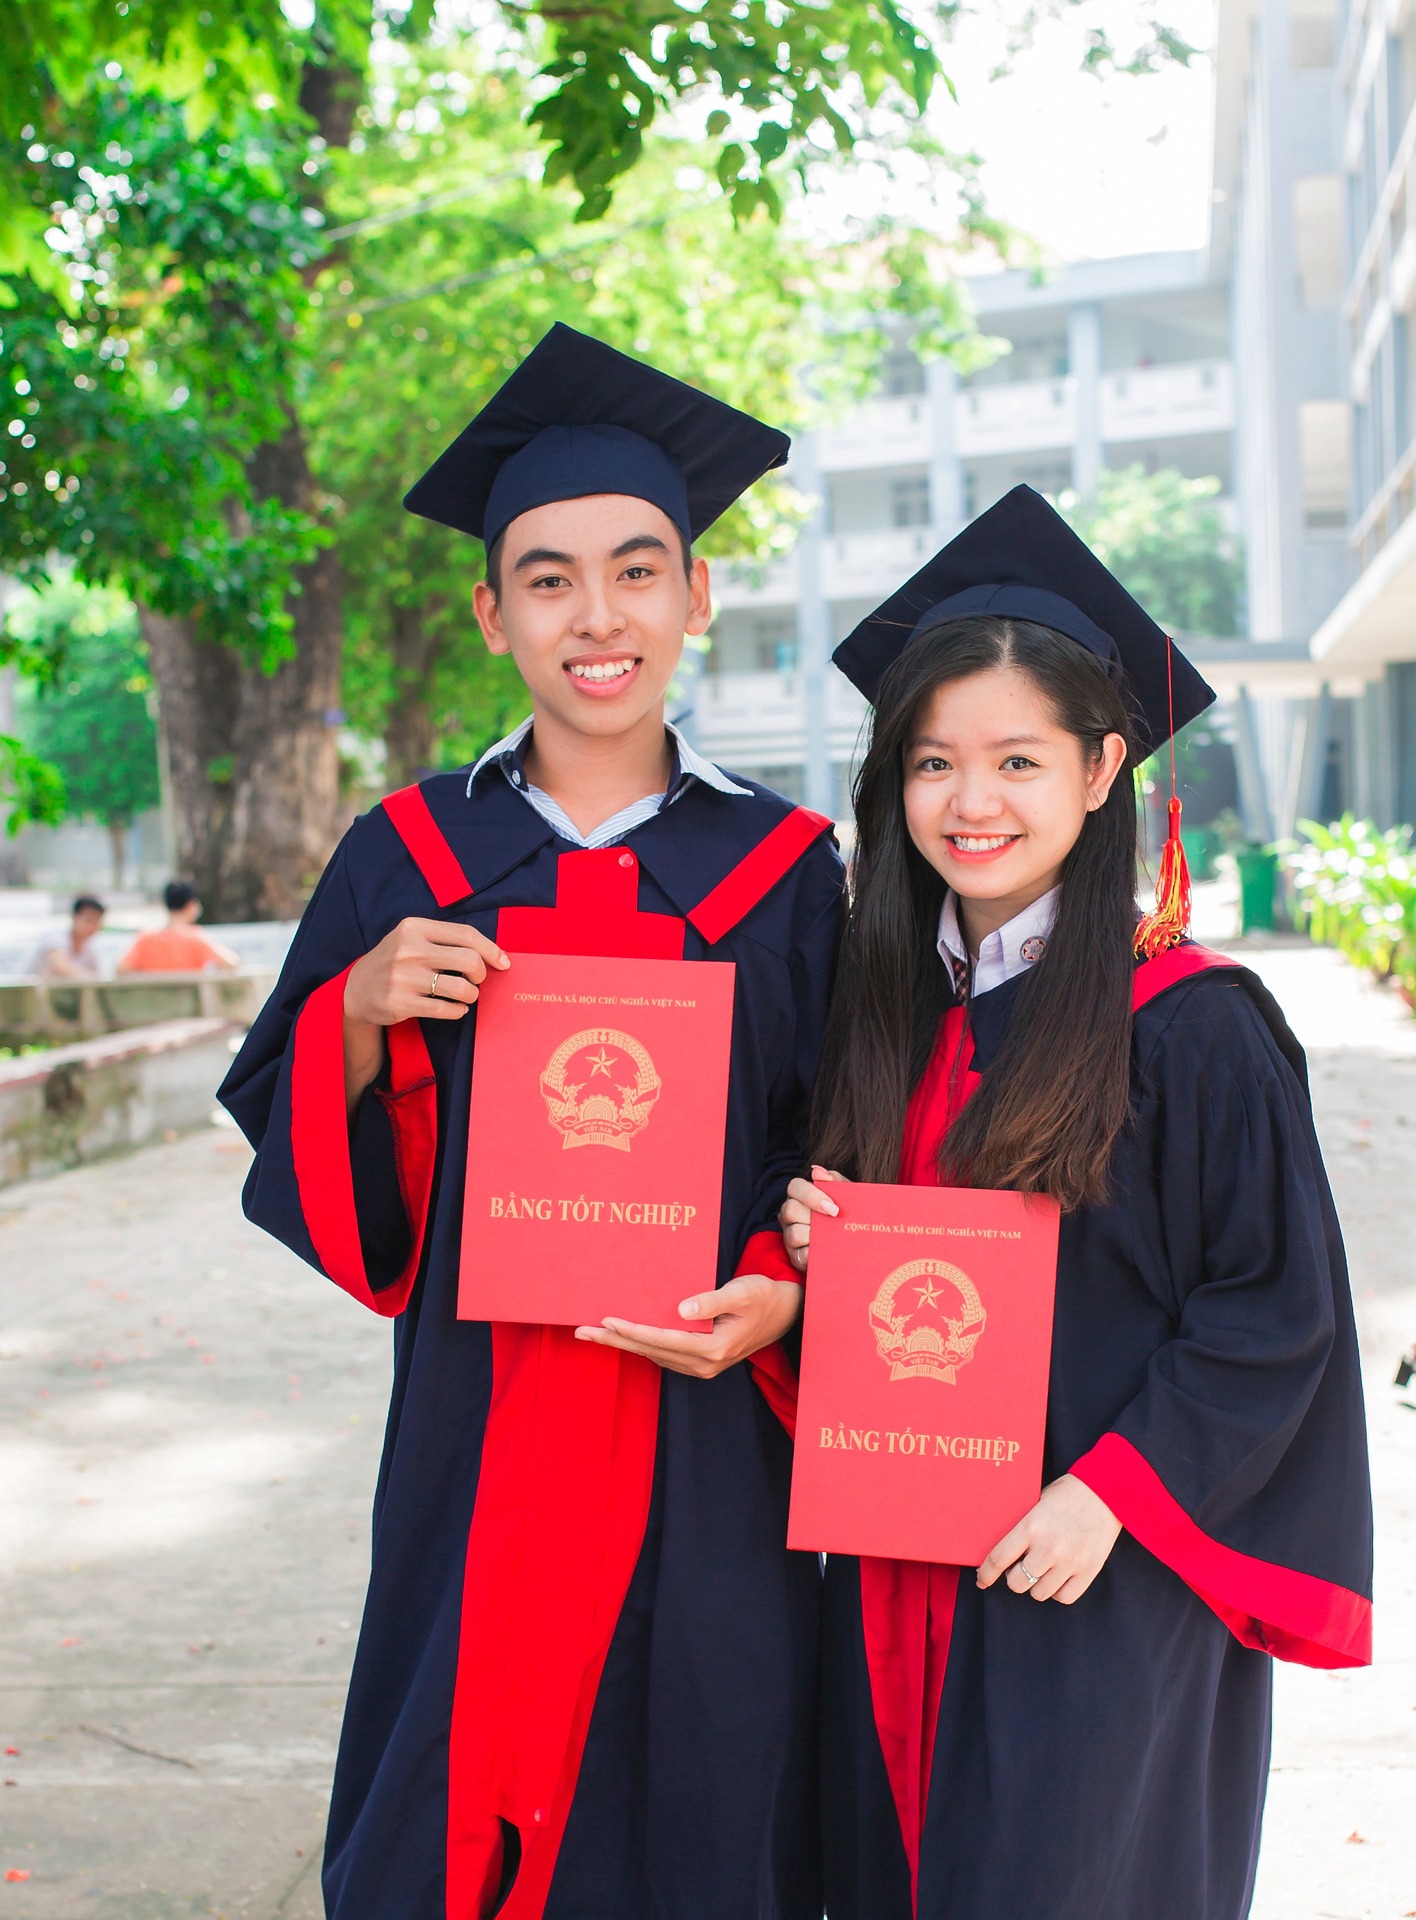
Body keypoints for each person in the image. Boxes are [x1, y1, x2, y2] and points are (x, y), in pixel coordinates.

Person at [218, 325, 843, 1920]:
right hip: (475, 1422)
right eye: (549, 578)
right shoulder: (405, 855)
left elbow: (848, 1148)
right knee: (452, 1790)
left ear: (696, 598)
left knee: (707, 1765)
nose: (598, 614)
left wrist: (792, 1294)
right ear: (494, 614)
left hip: (706, 1420)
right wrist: (355, 1008)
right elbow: (296, 1132)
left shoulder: (790, 873)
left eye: (638, 571)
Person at [780, 486, 1373, 1920]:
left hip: (1094, 1581)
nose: (970, 803)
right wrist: (823, 1252)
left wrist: (1112, 1494)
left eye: (1017, 761)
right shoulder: (887, 1012)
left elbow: (1272, 1308)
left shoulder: (1189, 1026)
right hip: (894, 1567)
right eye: (932, 764)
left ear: (1105, 769)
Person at [118, 881, 240, 972]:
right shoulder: (196, 938)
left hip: (153, 1004)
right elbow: (232, 963)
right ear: (191, 906)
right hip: (191, 1005)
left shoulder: (144, 939)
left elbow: (121, 969)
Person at [27, 895, 105, 978]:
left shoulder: (89, 948)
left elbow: (97, 975)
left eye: (97, 922)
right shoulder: (55, 937)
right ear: (74, 917)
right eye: (89, 920)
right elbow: (60, 966)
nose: (93, 927)